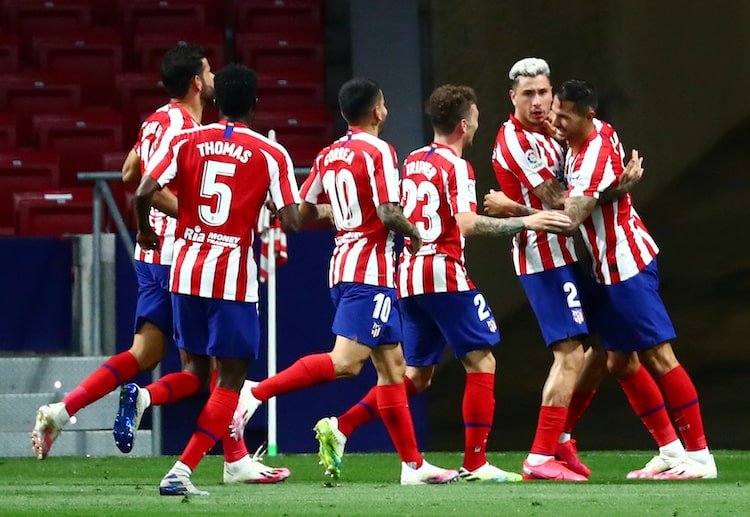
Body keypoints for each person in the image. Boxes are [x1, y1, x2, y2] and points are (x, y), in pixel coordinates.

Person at [31, 44, 288, 485]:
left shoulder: (155, 120)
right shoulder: (188, 129)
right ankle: (232, 456)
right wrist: (204, 215)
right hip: (180, 254)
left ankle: (62, 409)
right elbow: (153, 187)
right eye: (208, 71)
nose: (213, 78)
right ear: (197, 82)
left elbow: (130, 170)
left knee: (148, 354)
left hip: (150, 257)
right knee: (212, 367)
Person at [312, 84, 573, 483]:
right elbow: (466, 224)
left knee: (415, 376)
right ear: (464, 125)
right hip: (443, 274)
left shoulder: (413, 160)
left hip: (406, 277)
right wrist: (528, 220)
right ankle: (476, 463)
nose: (478, 123)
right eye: (476, 117)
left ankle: (342, 426)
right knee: (482, 362)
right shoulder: (457, 167)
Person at [237, 77, 458, 486]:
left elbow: (304, 211)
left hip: (343, 267)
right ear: (377, 111)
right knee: (345, 363)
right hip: (369, 273)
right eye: (384, 103)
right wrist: (415, 234)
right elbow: (389, 212)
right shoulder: (379, 150)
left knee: (393, 369)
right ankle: (255, 392)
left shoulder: (329, 154)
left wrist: (335, 214)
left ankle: (413, 466)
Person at [133, 63, 301, 496]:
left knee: (193, 371)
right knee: (230, 378)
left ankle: (147, 398)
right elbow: (293, 221)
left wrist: (146, 231)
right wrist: (271, 203)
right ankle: (181, 470)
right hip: (230, 279)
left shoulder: (186, 139)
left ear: (217, 100)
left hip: (185, 270)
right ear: (255, 104)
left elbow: (143, 189)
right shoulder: (270, 153)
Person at [546, 79, 716, 480]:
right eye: (555, 112)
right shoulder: (592, 137)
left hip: (626, 264)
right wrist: (614, 190)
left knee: (660, 356)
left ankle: (700, 456)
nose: (556, 122)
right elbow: (599, 194)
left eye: (563, 116)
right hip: (607, 268)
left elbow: (571, 218)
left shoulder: (593, 154)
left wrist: (513, 211)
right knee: (619, 362)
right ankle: (670, 450)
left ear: (588, 116)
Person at [484, 58, 645, 480]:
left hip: (572, 254)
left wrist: (607, 184)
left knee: (607, 348)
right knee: (570, 353)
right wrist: (614, 188)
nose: (538, 102)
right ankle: (539, 456)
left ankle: (563, 438)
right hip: (543, 257)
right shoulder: (516, 141)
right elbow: (562, 203)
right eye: (528, 94)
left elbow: (584, 186)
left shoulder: (554, 131)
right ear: (512, 98)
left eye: (544, 92)